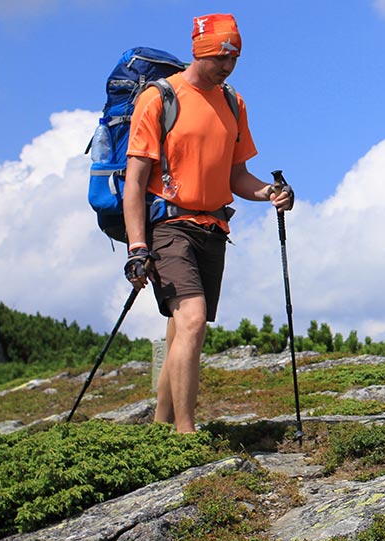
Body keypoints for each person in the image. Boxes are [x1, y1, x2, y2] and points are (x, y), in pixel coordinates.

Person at [122, 13, 293, 433]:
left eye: (234, 58)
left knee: (180, 330)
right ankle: (185, 434)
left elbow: (237, 177)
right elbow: (135, 181)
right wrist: (137, 247)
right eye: (220, 57)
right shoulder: (161, 98)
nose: (227, 66)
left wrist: (270, 194)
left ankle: (160, 430)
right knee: (193, 320)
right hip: (169, 226)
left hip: (214, 230)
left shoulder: (233, 102)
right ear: (200, 52)